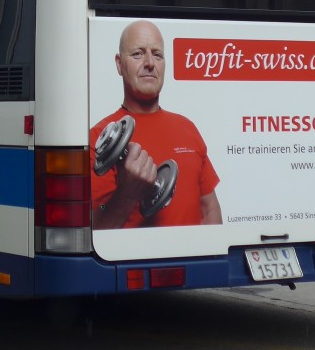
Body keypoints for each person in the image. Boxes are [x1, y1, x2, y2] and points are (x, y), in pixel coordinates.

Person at [91, 20, 222, 229]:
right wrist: (128, 193)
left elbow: (209, 209)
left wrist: (211, 258)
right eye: (138, 54)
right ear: (119, 64)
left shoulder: (187, 128)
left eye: (157, 54)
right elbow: (95, 231)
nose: (150, 62)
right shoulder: (99, 139)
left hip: (194, 262)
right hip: (136, 262)